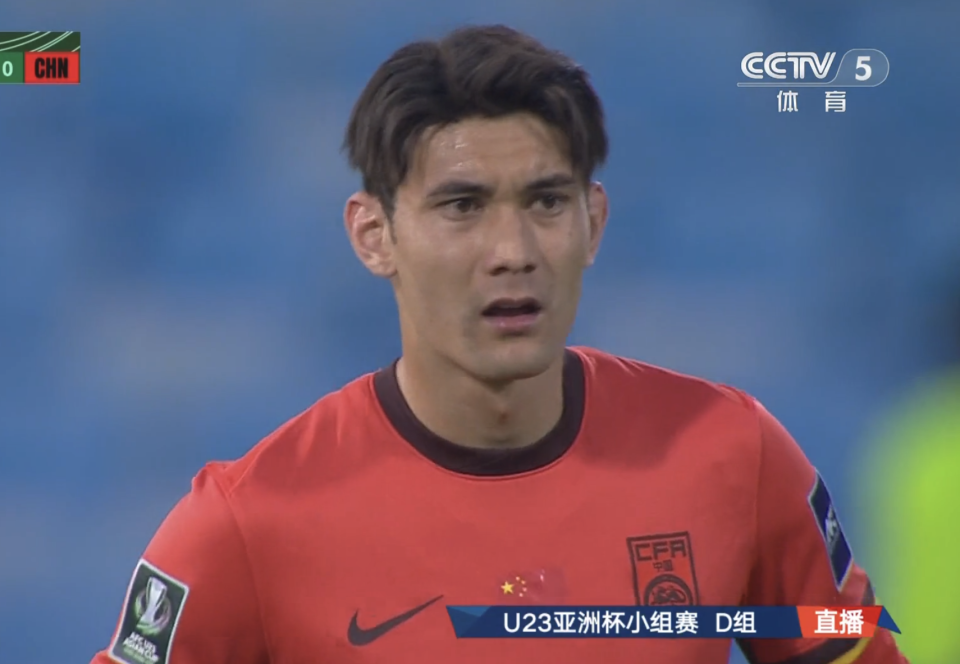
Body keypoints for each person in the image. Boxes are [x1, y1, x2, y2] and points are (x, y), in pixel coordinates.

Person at [89, 25, 908, 664]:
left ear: (594, 222)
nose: (513, 250)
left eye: (546, 202)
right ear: (374, 235)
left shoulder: (734, 453)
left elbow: (852, 641)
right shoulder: (243, 523)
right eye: (463, 206)